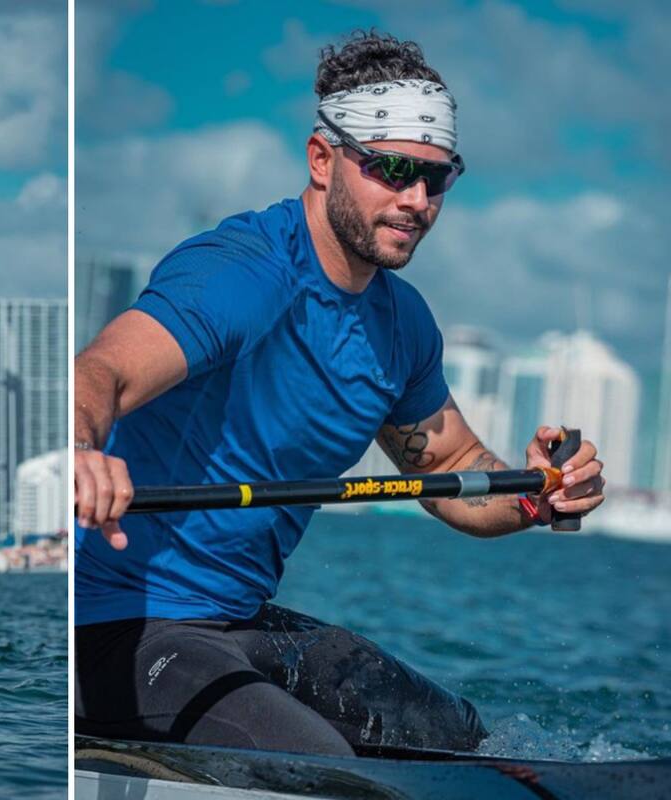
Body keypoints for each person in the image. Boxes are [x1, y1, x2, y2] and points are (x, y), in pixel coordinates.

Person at [73, 31, 606, 756]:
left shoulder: (403, 325)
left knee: (463, 739)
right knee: (324, 768)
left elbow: (451, 471)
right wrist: (79, 448)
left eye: (435, 177)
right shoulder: (241, 273)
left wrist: (537, 493)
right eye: (389, 169)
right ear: (322, 159)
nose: (415, 199)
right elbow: (100, 373)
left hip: (238, 622)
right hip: (111, 629)